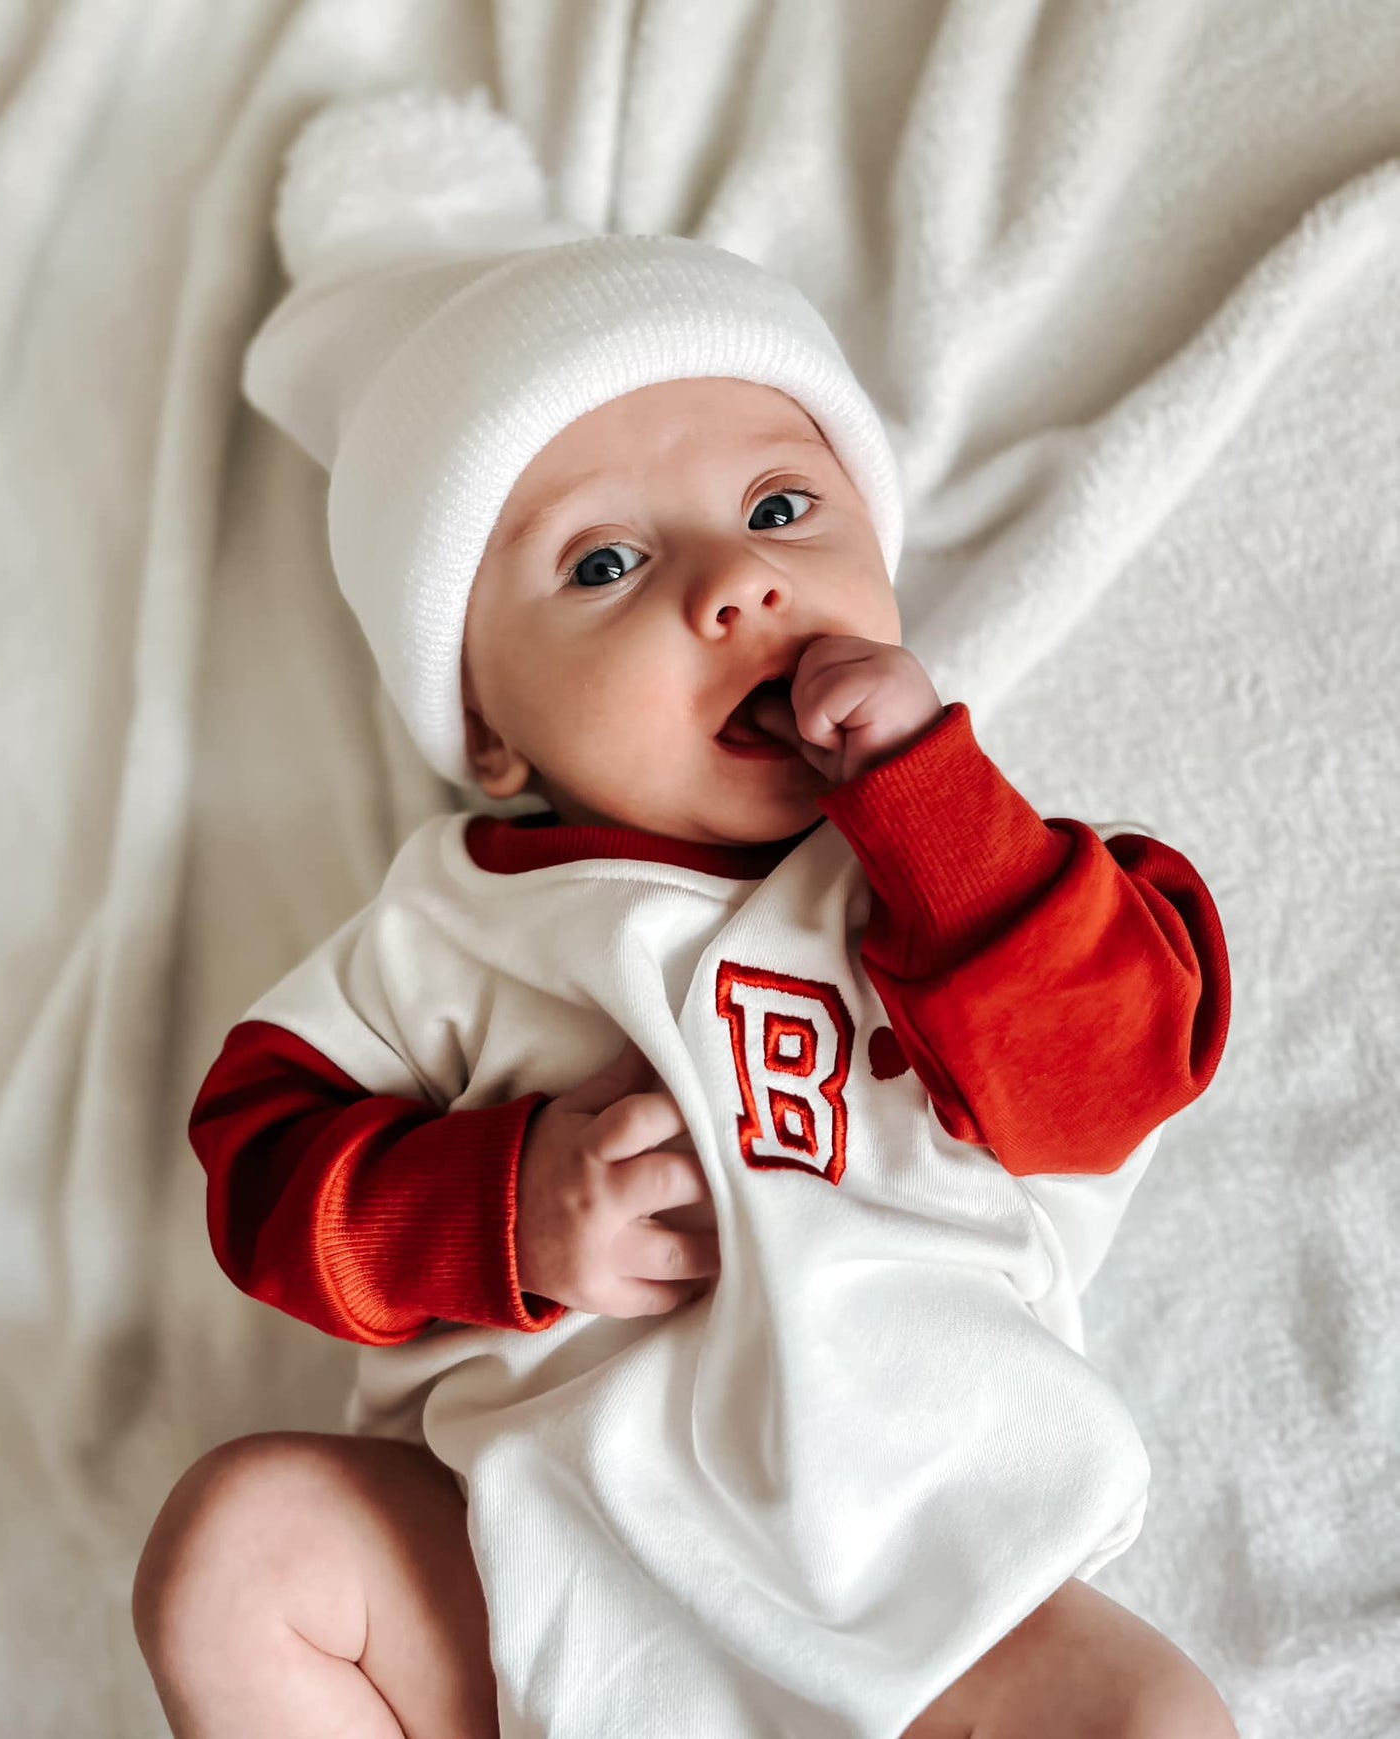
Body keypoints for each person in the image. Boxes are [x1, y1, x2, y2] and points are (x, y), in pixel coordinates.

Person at [132, 88, 1239, 1738]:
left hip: (931, 1586)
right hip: (529, 1575)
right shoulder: (447, 930)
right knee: (237, 1551)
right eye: (601, 567)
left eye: (783, 511)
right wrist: (504, 1207)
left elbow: (1112, 1076)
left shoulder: (975, 875)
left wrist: (934, 802)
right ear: (485, 725)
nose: (734, 585)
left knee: (1151, 1721)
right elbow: (261, 1169)